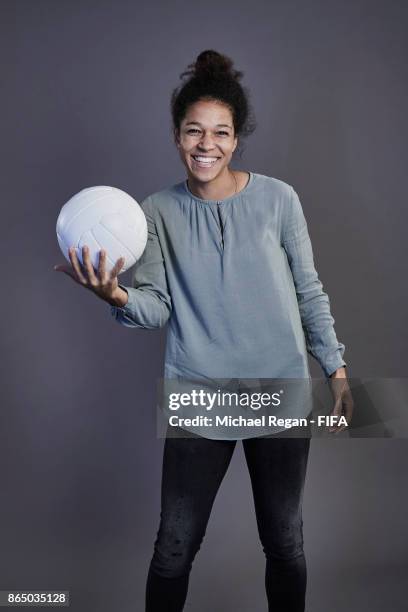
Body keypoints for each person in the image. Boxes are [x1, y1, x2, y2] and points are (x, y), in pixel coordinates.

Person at [55, 49, 353, 611]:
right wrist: (114, 294)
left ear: (236, 139)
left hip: (277, 392)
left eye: (220, 132)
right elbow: (157, 306)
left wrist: (334, 367)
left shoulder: (279, 199)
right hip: (200, 394)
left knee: (285, 542)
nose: (206, 144)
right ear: (177, 136)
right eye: (194, 131)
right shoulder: (155, 212)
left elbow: (309, 291)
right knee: (173, 547)